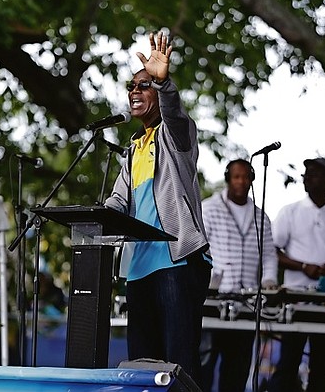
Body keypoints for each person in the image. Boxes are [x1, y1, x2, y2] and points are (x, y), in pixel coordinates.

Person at [104, 31, 212, 383]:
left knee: (178, 362)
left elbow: (176, 116)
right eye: (131, 88)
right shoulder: (133, 149)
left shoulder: (175, 136)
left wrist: (164, 83)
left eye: (143, 86)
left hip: (175, 260)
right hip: (139, 267)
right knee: (141, 365)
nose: (134, 92)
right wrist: (97, 216)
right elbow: (119, 201)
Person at [267, 157, 325, 392]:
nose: (308, 178)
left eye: (315, 174)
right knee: (288, 363)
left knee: (322, 365)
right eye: (306, 173)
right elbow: (272, 251)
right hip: (295, 299)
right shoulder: (290, 212)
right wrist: (303, 267)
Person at [199, 158, 278, 392]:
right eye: (236, 176)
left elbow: (270, 255)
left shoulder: (261, 216)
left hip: (248, 303)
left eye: (246, 177)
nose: (241, 181)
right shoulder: (209, 208)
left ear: (252, 180)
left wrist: (269, 281)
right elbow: (199, 248)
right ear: (227, 179)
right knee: (204, 363)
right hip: (214, 300)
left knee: (238, 367)